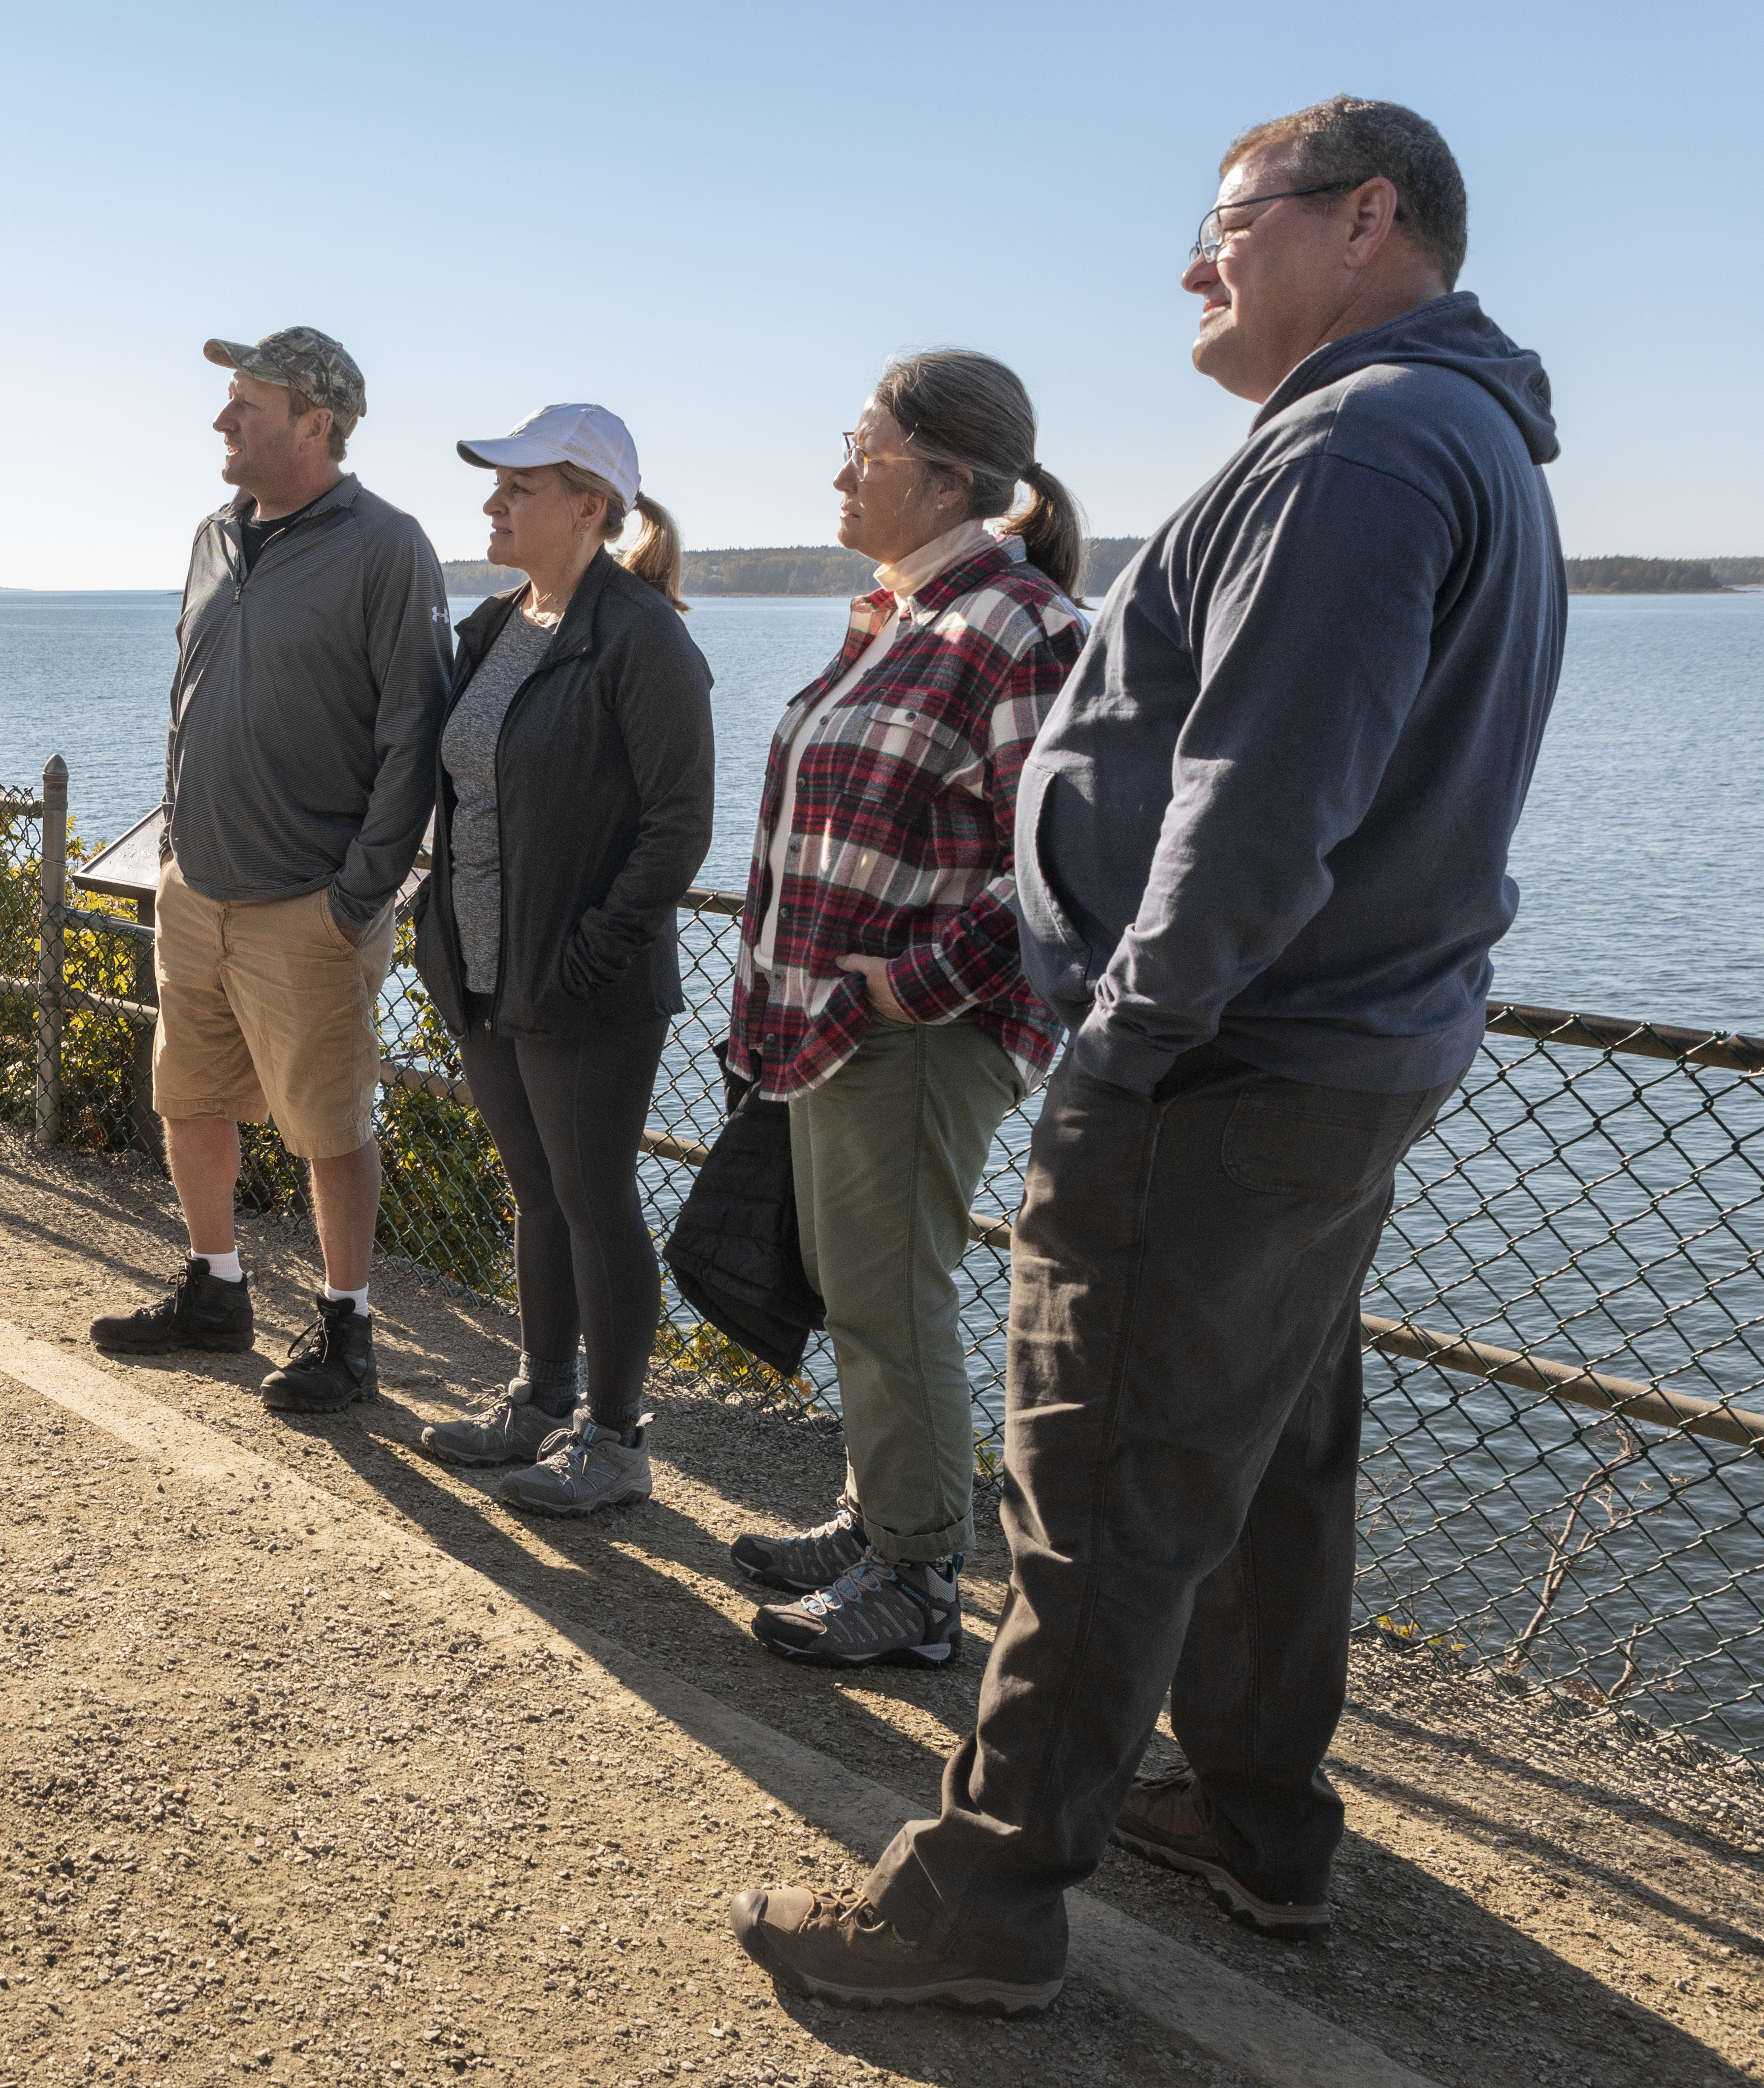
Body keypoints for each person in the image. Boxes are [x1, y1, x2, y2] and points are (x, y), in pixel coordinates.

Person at [733, 95, 1565, 2012]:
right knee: (1269, 1455)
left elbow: (1254, 800)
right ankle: (1256, 1818)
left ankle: (978, 1898)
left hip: (1222, 1065)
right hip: (1326, 1059)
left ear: (1364, 221)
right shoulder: (1444, 437)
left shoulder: (1355, 445)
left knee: (1095, 1481)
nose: (1191, 265)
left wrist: (1119, 1043)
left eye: (1224, 223)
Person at [718, 354, 1089, 1664]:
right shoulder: (900, 613)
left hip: (915, 1039)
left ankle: (920, 1581)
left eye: (863, 449)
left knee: (891, 1300)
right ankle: (883, 1515)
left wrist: (898, 987)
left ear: (945, 476)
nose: (838, 471)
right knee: (855, 1287)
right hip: (839, 1030)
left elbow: (1055, 867)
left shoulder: (1021, 626)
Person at [88, 328, 451, 1411]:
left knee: (329, 1123)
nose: (222, 420)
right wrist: (172, 852)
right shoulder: (213, 535)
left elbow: (414, 735)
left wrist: (357, 897)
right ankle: (216, 1290)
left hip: (311, 905)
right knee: (188, 1097)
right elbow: (186, 694)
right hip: (196, 888)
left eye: (245, 402)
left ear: (317, 423)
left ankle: (349, 1331)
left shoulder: (389, 547)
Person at [407, 405, 711, 1514]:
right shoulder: (497, 628)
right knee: (537, 1195)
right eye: (494, 487)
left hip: (583, 986)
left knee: (594, 1199)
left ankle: (617, 1443)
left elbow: (679, 827)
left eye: (516, 487)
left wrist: (589, 953)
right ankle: (540, 1404)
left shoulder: (641, 637)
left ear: (589, 506)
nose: (492, 503)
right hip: (486, 971)